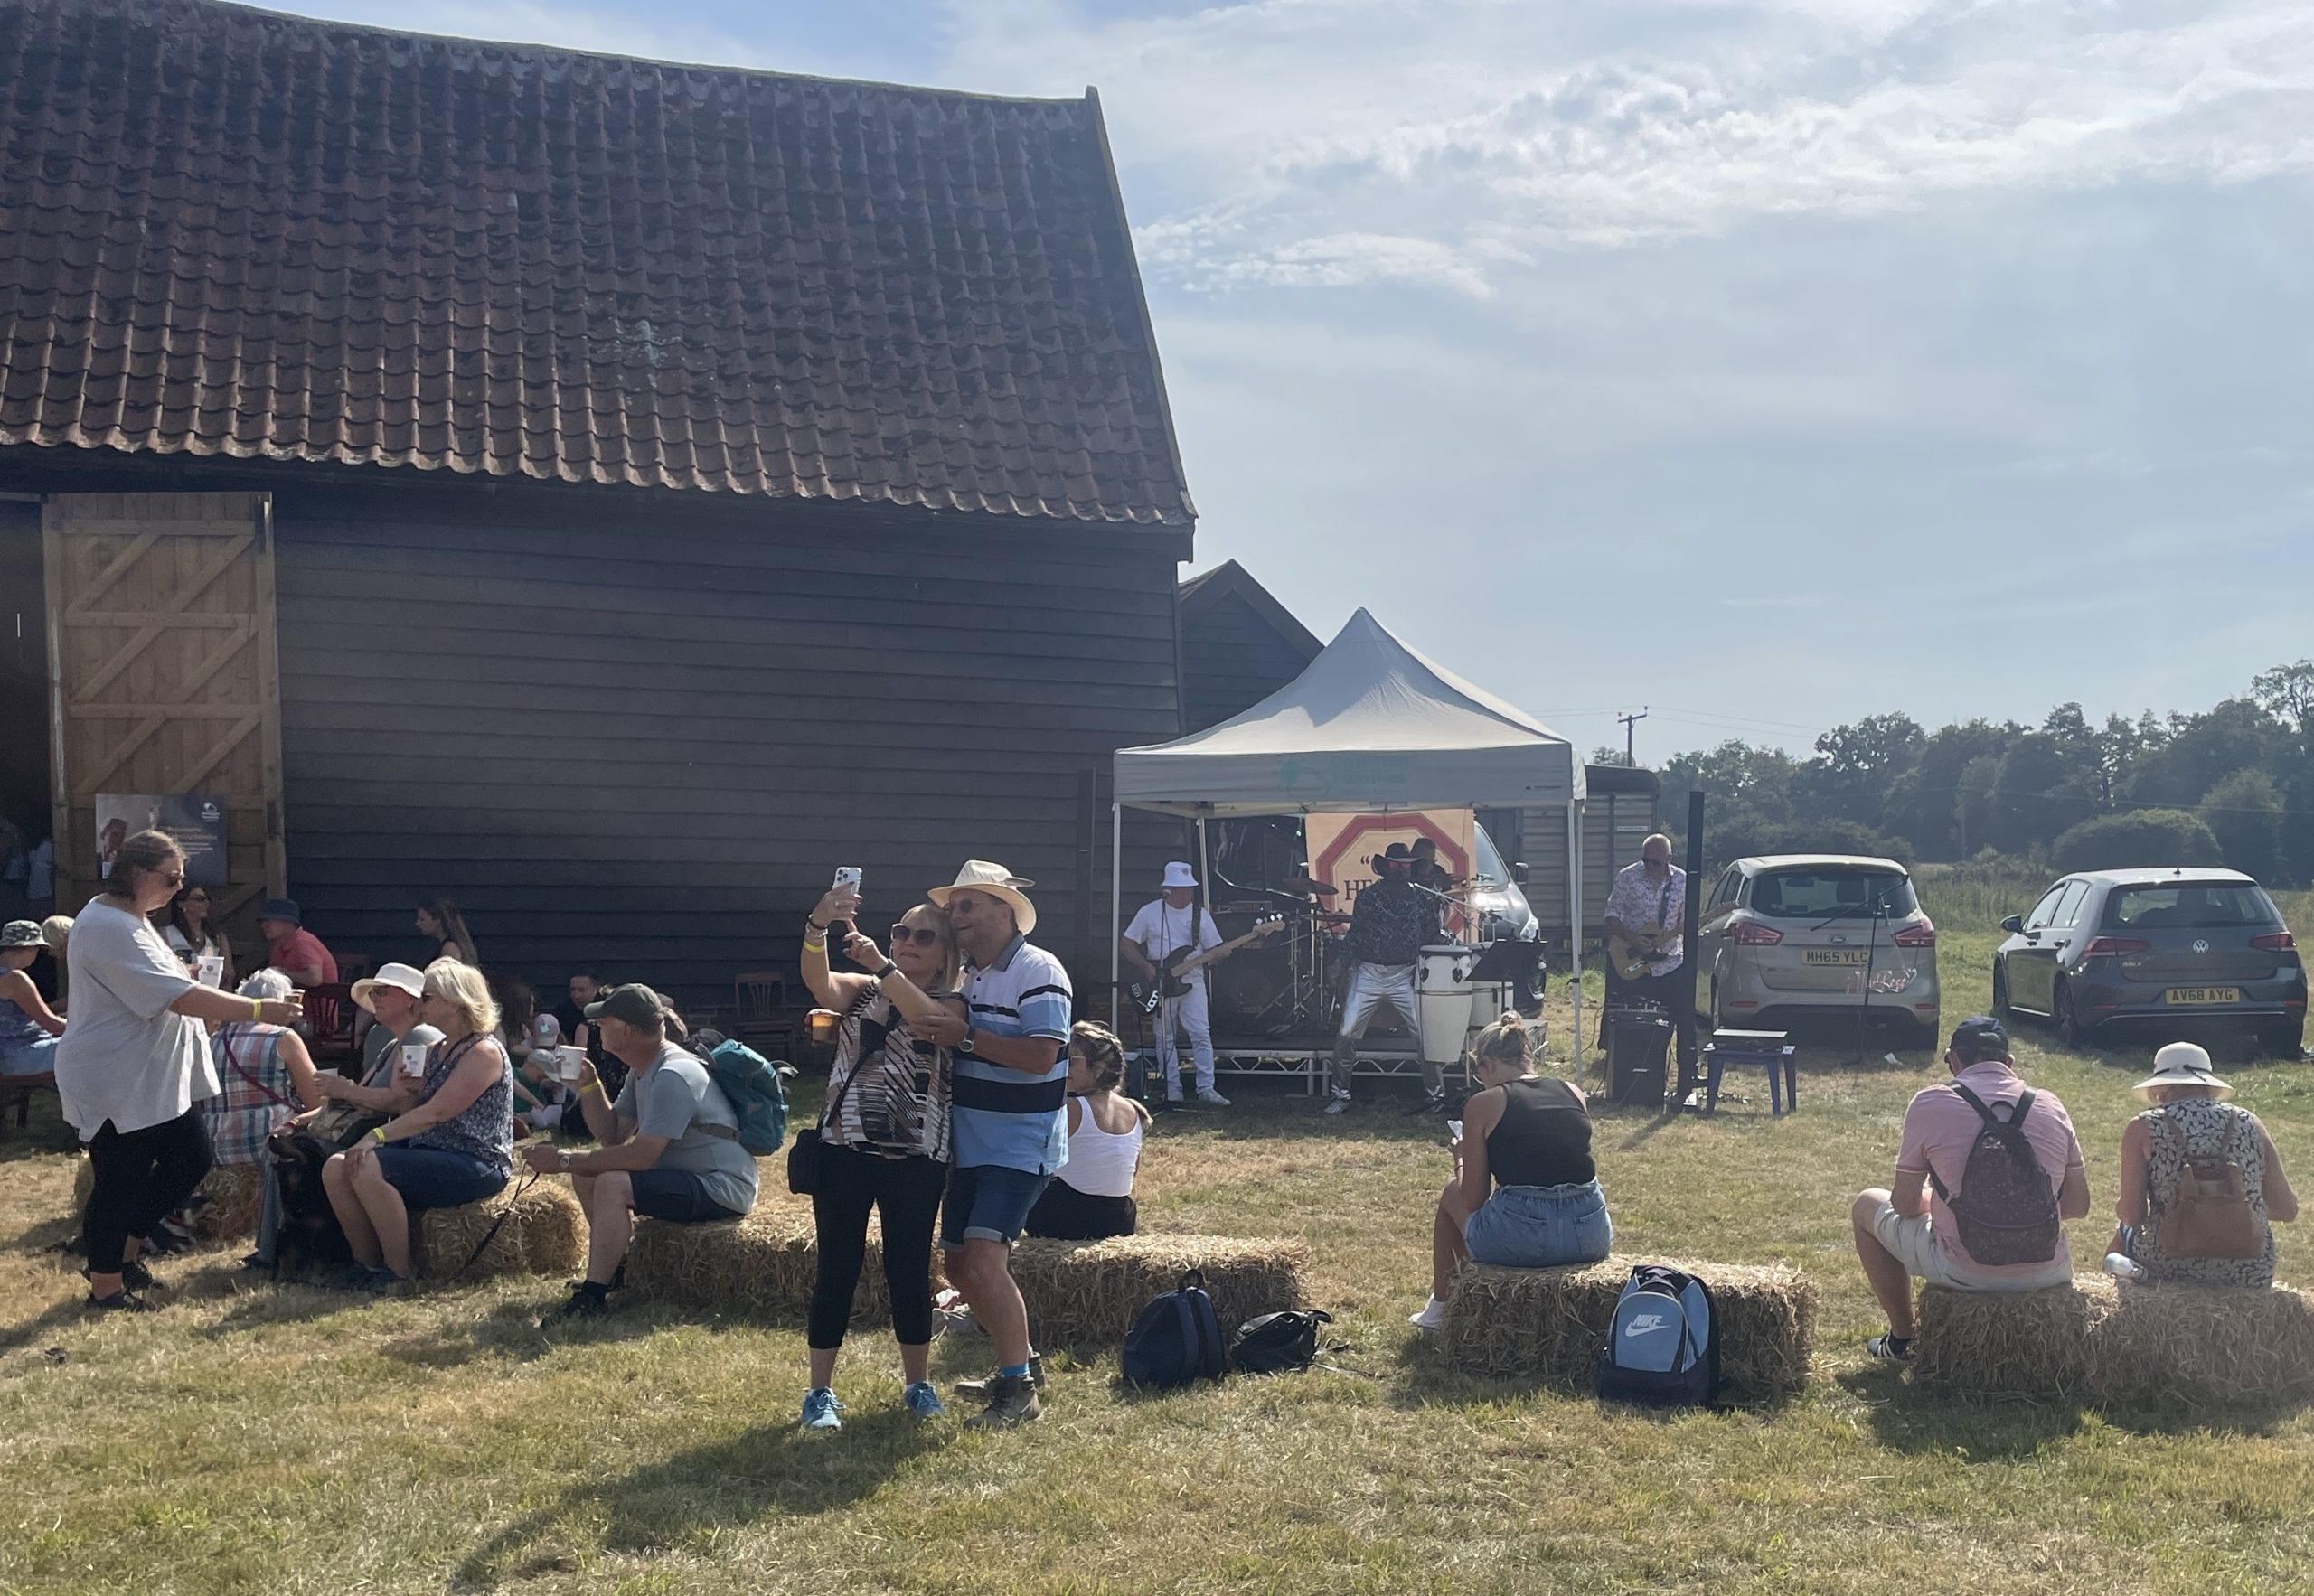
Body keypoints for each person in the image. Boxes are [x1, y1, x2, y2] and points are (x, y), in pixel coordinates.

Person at [55, 831, 304, 1310]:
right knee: (118, 1179)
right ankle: (105, 1287)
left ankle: (124, 1255)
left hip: (148, 1077)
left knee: (190, 1157)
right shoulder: (110, 925)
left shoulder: (133, 919)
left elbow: (163, 984)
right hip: (117, 1076)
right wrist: (259, 1011)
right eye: (171, 879)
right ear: (137, 873)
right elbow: (177, 998)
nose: (177, 888)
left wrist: (183, 978)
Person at [793, 886, 966, 1429]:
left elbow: (928, 1020)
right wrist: (818, 924)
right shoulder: (865, 989)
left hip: (916, 1155)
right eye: (900, 932)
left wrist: (886, 964)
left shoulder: (957, 1002)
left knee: (909, 1270)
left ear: (946, 954)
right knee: (836, 1268)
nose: (908, 942)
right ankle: (819, 1392)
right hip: (845, 1149)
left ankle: (918, 1383)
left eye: (923, 936)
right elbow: (818, 981)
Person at [1852, 1017, 2089, 1361]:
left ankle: (1903, 1339)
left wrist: (1947, 1203)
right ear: (2009, 1063)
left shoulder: (1930, 1103)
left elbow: (1903, 1205)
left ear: (1954, 1060)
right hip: (2047, 1270)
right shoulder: (2052, 1105)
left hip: (1962, 1269)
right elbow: (2077, 1207)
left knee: (1865, 1204)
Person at [930, 860, 1072, 1428]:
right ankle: (1021, 1367)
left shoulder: (1039, 969)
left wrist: (964, 1035)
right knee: (960, 1268)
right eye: (953, 907)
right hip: (971, 1144)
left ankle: (1019, 1393)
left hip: (1017, 1144)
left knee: (985, 1263)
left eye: (969, 905)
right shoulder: (971, 974)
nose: (956, 916)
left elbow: (1042, 1057)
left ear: (1004, 911)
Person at [531, 983, 760, 1325]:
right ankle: (614, 1269)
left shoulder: (672, 1074)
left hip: (721, 1186)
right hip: (695, 1178)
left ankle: (593, 1296)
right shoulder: (645, 1069)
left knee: (611, 1182)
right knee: (589, 1174)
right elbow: (612, 1135)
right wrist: (590, 1086)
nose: (596, 1028)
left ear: (625, 1030)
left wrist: (564, 1159)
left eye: (603, 1022)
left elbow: (641, 1157)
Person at [321, 958, 513, 1292]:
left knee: (366, 1164)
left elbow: (437, 1113)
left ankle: (400, 1273)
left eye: (428, 997)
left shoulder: (484, 1052)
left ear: (456, 1002)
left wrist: (375, 1136)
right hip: (433, 1151)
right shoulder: (439, 1049)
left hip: (476, 1161)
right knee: (335, 1167)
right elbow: (418, 1106)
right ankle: (366, 1264)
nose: (420, 1003)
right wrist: (417, 1089)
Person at [1410, 1012, 1609, 1330]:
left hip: (1525, 1236)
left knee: (1451, 1191)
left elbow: (1473, 1199)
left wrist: (1461, 1157)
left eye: (1480, 1073)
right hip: (1589, 1232)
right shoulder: (1573, 1091)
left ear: (1488, 1064)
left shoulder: (1484, 1102)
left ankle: (1440, 1308)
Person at [2113, 1041, 2297, 1288]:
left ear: (2161, 1090)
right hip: (2249, 1268)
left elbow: (2132, 1215)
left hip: (2167, 1268)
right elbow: (2286, 1210)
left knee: (2122, 1233)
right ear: (2209, 1086)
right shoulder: (2250, 1123)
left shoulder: (2144, 1126)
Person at [1329, 842, 1439, 1116]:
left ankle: (1436, 1096)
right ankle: (1340, 1095)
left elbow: (1432, 936)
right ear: (1385, 867)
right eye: (1395, 865)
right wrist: (1341, 962)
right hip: (1368, 971)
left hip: (1405, 974)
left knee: (1424, 1036)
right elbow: (1356, 935)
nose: (1401, 870)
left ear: (1411, 868)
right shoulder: (1367, 896)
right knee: (1346, 1033)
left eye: (1405, 865)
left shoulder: (1421, 899)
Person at [1120, 861, 1232, 1106]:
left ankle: (1206, 1088)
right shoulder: (1149, 913)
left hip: (1193, 981)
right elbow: (1127, 943)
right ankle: (1173, 1089)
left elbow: (1215, 948)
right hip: (1161, 982)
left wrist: (1222, 953)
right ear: (1167, 889)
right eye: (1179, 889)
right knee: (1164, 1037)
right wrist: (1145, 967)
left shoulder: (1199, 915)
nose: (1185, 894)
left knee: (1201, 1033)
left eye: (1189, 889)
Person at [1024, 1022, 1148, 1242]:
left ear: (1098, 1070)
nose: (1061, 1068)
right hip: (1119, 1220)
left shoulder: (1073, 1108)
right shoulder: (1134, 1110)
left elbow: (1036, 1161)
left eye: (1070, 1062)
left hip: (1070, 1218)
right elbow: (1133, 1171)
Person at [1601, 832, 1698, 1091]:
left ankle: (1687, 1080)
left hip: (1670, 962)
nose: (1650, 867)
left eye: (1656, 862)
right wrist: (1632, 939)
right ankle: (1632, 1080)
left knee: (1685, 1021)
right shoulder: (1627, 877)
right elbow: (1611, 916)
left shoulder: (1682, 881)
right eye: (1646, 861)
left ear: (1669, 859)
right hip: (1636, 964)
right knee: (1634, 1023)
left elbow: (1686, 922)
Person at [0, 918, 66, 1080]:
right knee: (97, 1044)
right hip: (24, 1054)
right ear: (30, 948)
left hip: (8, 1056)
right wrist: (92, 1027)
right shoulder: (15, 979)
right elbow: (53, 1025)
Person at [162, 883, 234, 987]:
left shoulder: (217, 938)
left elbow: (228, 975)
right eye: (199, 899)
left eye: (207, 899)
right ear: (182, 904)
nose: (205, 903)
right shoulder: (166, 935)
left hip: (211, 996)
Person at [259, 898, 338, 988]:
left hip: (316, 999)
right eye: (263, 921)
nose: (263, 925)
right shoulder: (279, 945)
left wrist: (283, 974)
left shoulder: (303, 942)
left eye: (269, 921)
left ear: (288, 921)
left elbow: (314, 979)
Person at [417, 897, 480, 966]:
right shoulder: (444, 945)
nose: (417, 923)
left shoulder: (450, 949)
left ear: (438, 920)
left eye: (422, 919)